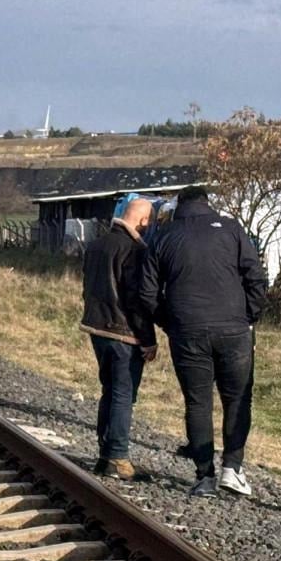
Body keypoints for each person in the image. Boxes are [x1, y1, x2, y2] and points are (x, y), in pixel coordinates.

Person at [139, 185, 267, 498]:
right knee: (237, 399)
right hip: (234, 329)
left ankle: (204, 476)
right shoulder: (232, 229)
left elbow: (147, 292)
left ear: (178, 206)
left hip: (187, 331)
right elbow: (256, 276)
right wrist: (249, 315)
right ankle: (232, 469)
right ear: (207, 203)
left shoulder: (162, 236)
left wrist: (171, 322)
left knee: (198, 402)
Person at [80, 197, 158, 479]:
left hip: (96, 328)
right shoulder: (136, 250)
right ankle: (118, 457)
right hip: (124, 333)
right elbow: (137, 299)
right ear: (144, 220)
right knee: (124, 395)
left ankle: (105, 454)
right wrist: (148, 339)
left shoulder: (96, 245)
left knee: (109, 390)